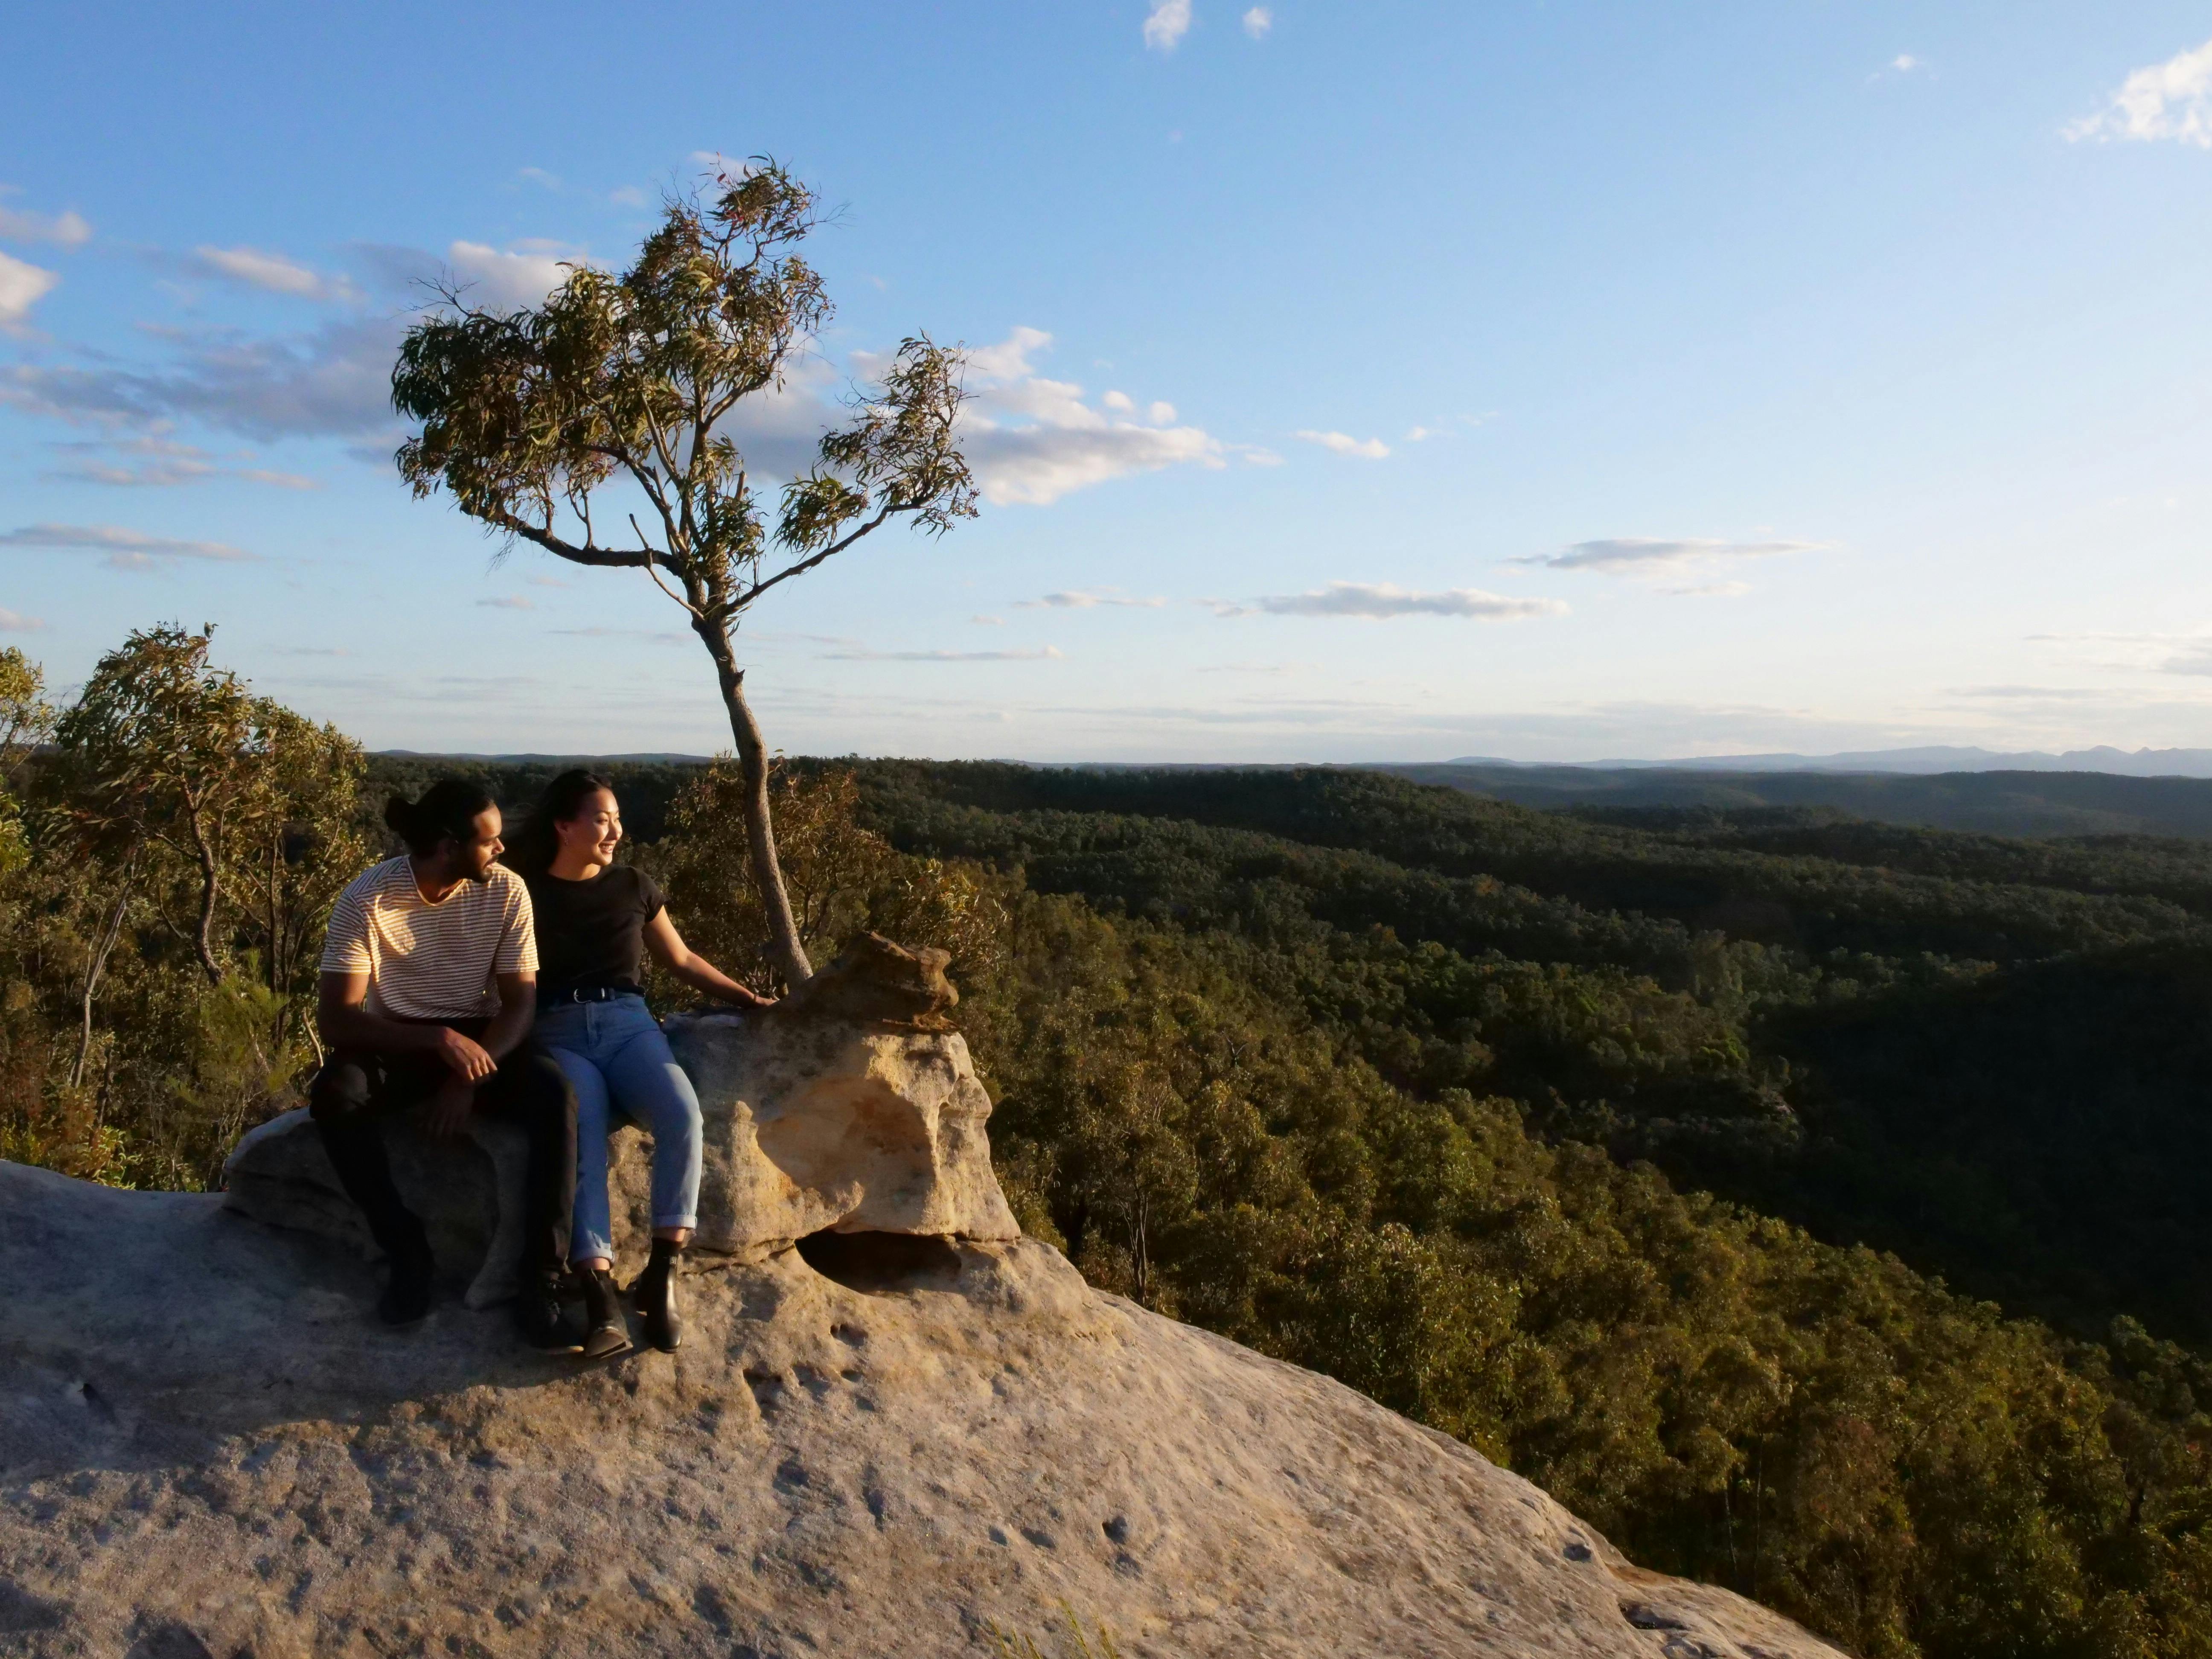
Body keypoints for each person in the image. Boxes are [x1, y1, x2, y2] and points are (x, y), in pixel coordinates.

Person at [309, 779, 585, 1353]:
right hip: (402, 1041)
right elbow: (337, 1022)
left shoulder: (506, 892)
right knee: (336, 1095)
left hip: (484, 1039)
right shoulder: (369, 898)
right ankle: (407, 1251)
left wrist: (467, 1073)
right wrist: (437, 1039)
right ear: (445, 845)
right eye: (489, 842)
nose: (502, 851)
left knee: (556, 1094)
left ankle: (542, 1279)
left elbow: (520, 1004)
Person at [510, 769, 772, 1356]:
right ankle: (599, 1290)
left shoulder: (633, 885)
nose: (615, 831)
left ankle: (663, 1272)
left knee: (682, 1114)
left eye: (617, 819)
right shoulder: (522, 893)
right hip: (558, 1033)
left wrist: (748, 1000)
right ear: (564, 826)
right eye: (601, 819)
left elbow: (680, 958)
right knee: (582, 1140)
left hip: (630, 1027)